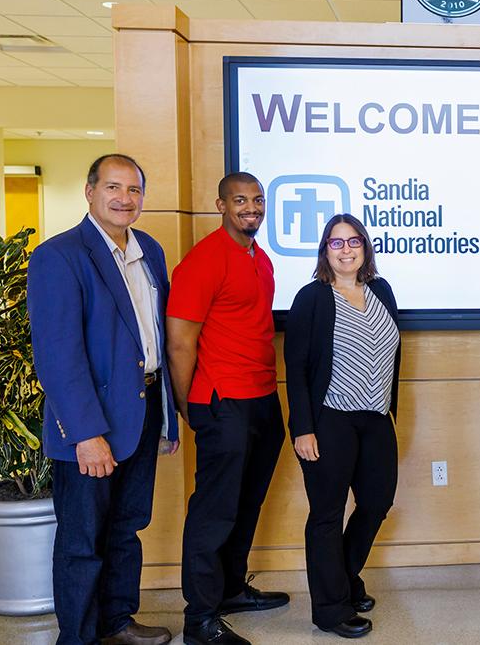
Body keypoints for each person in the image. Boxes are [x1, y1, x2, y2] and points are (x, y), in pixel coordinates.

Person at [28, 154, 178, 645]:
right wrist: (87, 434)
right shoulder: (60, 255)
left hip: (143, 409)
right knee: (81, 540)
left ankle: (117, 621)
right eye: (113, 187)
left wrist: (168, 419)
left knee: (127, 527)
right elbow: (58, 356)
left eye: (134, 190)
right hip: (92, 423)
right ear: (89, 191)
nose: (124, 199)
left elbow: (156, 338)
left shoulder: (150, 251)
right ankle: (78, 637)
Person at [167, 173, 288, 645]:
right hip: (222, 402)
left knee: (246, 503)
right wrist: (189, 406)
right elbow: (180, 343)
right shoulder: (203, 261)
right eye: (240, 200)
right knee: (214, 511)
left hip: (262, 398)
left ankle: (231, 590)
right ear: (221, 204)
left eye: (257, 200)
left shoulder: (261, 259)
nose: (251, 208)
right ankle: (199, 617)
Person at [284, 214, 401, 640]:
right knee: (327, 516)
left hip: (375, 419)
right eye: (337, 243)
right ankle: (331, 610)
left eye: (354, 242)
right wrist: (303, 428)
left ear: (365, 248)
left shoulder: (381, 291)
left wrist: (390, 408)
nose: (347, 249)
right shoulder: (311, 298)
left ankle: (345, 576)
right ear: (325, 251)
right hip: (329, 419)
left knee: (376, 503)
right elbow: (295, 369)